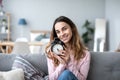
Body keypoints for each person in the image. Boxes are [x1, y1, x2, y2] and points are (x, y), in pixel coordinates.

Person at [45, 16, 91, 80]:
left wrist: (69, 61)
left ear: (72, 28)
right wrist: (62, 64)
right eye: (58, 32)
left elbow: (82, 79)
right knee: (65, 74)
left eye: (64, 29)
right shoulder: (52, 51)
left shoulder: (85, 53)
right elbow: (51, 79)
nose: (62, 34)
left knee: (66, 74)